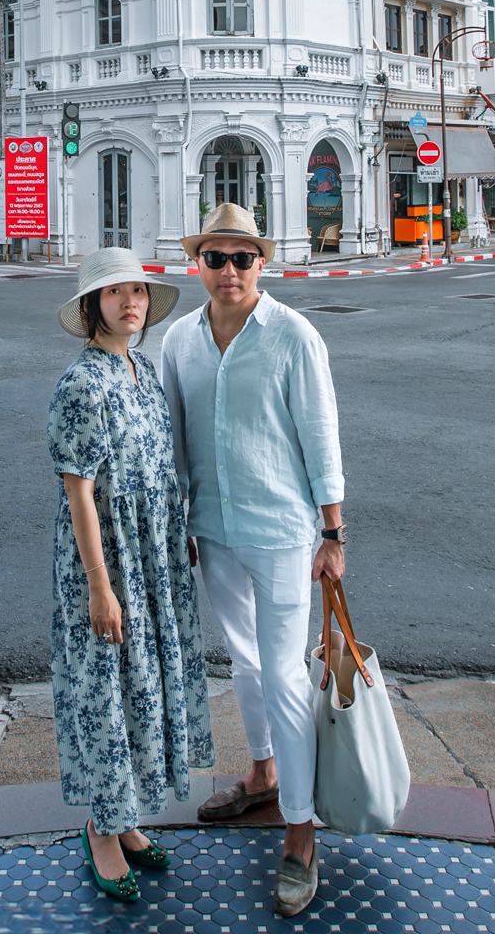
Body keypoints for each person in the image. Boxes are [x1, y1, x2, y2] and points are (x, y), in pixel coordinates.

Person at [163, 203, 347, 918]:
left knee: (284, 675)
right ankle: (263, 775)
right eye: (217, 258)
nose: (230, 271)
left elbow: (320, 434)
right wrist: (178, 521)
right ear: (198, 265)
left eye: (243, 258)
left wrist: (334, 532)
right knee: (242, 663)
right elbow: (173, 440)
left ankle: (301, 835)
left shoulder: (294, 336)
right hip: (213, 528)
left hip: (282, 535)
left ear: (262, 264)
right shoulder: (179, 340)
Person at [48, 248, 209, 905]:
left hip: (151, 560)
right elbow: (78, 492)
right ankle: (102, 830)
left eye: (138, 292)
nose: (130, 304)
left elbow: (159, 463)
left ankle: (129, 817)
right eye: (115, 294)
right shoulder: (80, 382)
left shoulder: (141, 368)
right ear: (92, 307)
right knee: (107, 693)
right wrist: (99, 585)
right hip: (108, 564)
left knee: (145, 685)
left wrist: (177, 537)